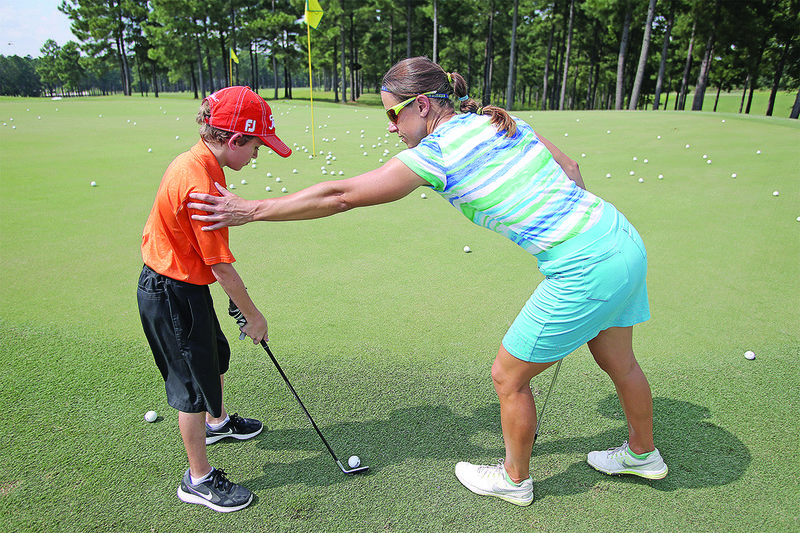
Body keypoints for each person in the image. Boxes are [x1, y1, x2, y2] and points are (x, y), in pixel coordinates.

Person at [187, 58, 668, 507]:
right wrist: (573, 226)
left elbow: (341, 196)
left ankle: (513, 479)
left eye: (394, 116)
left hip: (584, 266)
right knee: (619, 360)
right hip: (620, 238)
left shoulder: (437, 153)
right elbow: (570, 170)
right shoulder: (499, 120)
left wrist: (251, 210)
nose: (392, 128)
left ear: (422, 105)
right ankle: (642, 454)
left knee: (508, 376)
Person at [137, 86, 292, 512]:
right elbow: (222, 266)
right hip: (170, 291)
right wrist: (253, 315)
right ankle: (198, 479)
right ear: (235, 139)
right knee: (189, 385)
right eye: (257, 146)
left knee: (214, 356)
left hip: (186, 284)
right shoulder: (199, 183)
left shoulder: (204, 163)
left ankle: (218, 422)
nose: (257, 156)